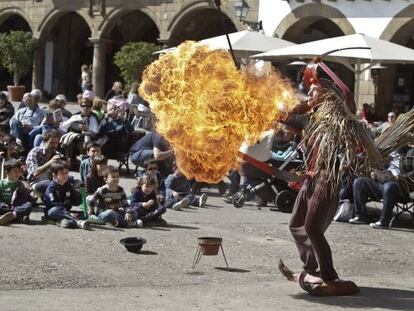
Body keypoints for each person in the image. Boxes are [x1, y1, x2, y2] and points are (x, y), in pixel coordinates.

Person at [280, 69, 383, 295]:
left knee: (312, 227)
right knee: (296, 224)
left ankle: (330, 276)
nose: (309, 96)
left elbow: (345, 93)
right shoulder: (312, 119)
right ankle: (311, 268)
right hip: (310, 177)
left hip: (328, 177)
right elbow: (288, 119)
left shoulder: (339, 116)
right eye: (308, 93)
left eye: (313, 93)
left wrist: (323, 68)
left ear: (327, 95)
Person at [349, 149, 414, 228]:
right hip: (383, 181)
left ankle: (384, 222)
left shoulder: (410, 152)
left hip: (400, 187)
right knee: (359, 182)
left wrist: (399, 178)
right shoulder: (387, 149)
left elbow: (412, 174)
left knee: (389, 186)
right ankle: (359, 216)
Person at [44, 161, 88, 229]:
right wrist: (68, 213)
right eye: (62, 173)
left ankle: (64, 221)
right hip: (54, 211)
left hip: (66, 211)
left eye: (66, 172)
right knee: (54, 210)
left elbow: (75, 200)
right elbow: (55, 204)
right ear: (54, 174)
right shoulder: (51, 188)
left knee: (84, 215)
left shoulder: (67, 184)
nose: (65, 175)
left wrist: (82, 194)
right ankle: (76, 222)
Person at [60, 98, 99, 167]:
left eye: (88, 106)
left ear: (91, 107)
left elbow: (96, 132)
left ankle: (84, 164)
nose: (85, 108)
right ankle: (69, 162)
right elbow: (64, 127)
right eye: (83, 106)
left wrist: (87, 129)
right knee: (70, 141)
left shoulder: (93, 117)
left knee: (83, 143)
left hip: (88, 138)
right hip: (75, 137)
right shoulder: (76, 116)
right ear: (81, 106)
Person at [26, 129, 63, 199]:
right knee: (52, 185)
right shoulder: (35, 152)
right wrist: (50, 162)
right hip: (36, 183)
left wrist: (66, 166)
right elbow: (35, 173)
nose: (54, 145)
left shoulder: (58, 155)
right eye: (51, 143)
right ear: (44, 142)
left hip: (53, 182)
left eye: (56, 143)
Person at [0, 160, 32, 225]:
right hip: (4, 207)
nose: (17, 173)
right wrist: (2, 204)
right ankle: (19, 217)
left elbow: (24, 200)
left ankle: (12, 216)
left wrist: (26, 188)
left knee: (28, 205)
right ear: (7, 172)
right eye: (15, 171)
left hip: (16, 207)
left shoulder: (21, 184)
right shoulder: (1, 183)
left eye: (19, 171)